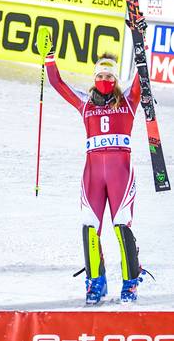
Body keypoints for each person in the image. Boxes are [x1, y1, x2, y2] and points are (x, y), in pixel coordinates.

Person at [38, 28, 147, 304]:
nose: (104, 80)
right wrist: (49, 57)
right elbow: (58, 84)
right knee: (89, 227)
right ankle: (96, 281)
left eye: (109, 76)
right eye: (100, 76)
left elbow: (140, 77)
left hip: (121, 174)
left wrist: (140, 41)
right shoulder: (85, 104)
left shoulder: (129, 102)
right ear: (94, 78)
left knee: (122, 226)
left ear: (115, 79)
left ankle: (130, 282)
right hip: (93, 176)